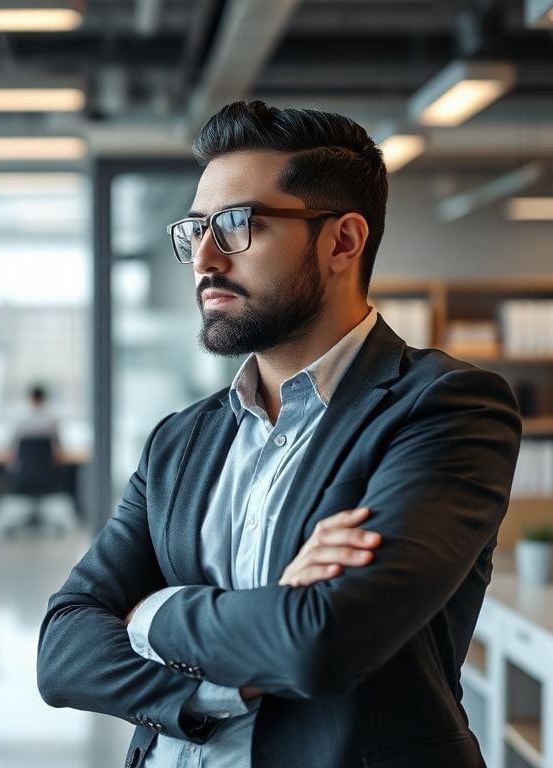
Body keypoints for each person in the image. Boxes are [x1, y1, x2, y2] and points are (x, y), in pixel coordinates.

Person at [36, 101, 521, 767]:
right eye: (196, 229)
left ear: (342, 242)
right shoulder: (180, 442)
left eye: (237, 225)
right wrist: (248, 646)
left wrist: (149, 615)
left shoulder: (445, 410)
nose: (203, 257)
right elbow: (63, 649)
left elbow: (320, 643)